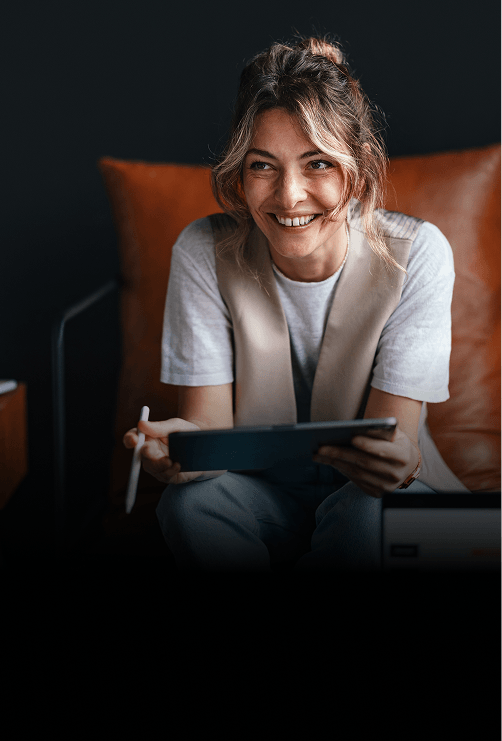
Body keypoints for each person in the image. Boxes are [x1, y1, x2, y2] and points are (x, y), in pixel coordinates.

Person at [123, 36, 459, 572]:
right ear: (239, 173)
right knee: (190, 504)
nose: (289, 196)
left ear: (359, 171)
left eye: (318, 163)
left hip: (376, 497)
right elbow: (208, 430)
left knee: (365, 514)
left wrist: (404, 462)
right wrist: (183, 453)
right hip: (260, 499)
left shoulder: (418, 254)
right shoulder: (203, 250)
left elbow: (393, 443)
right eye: (263, 166)